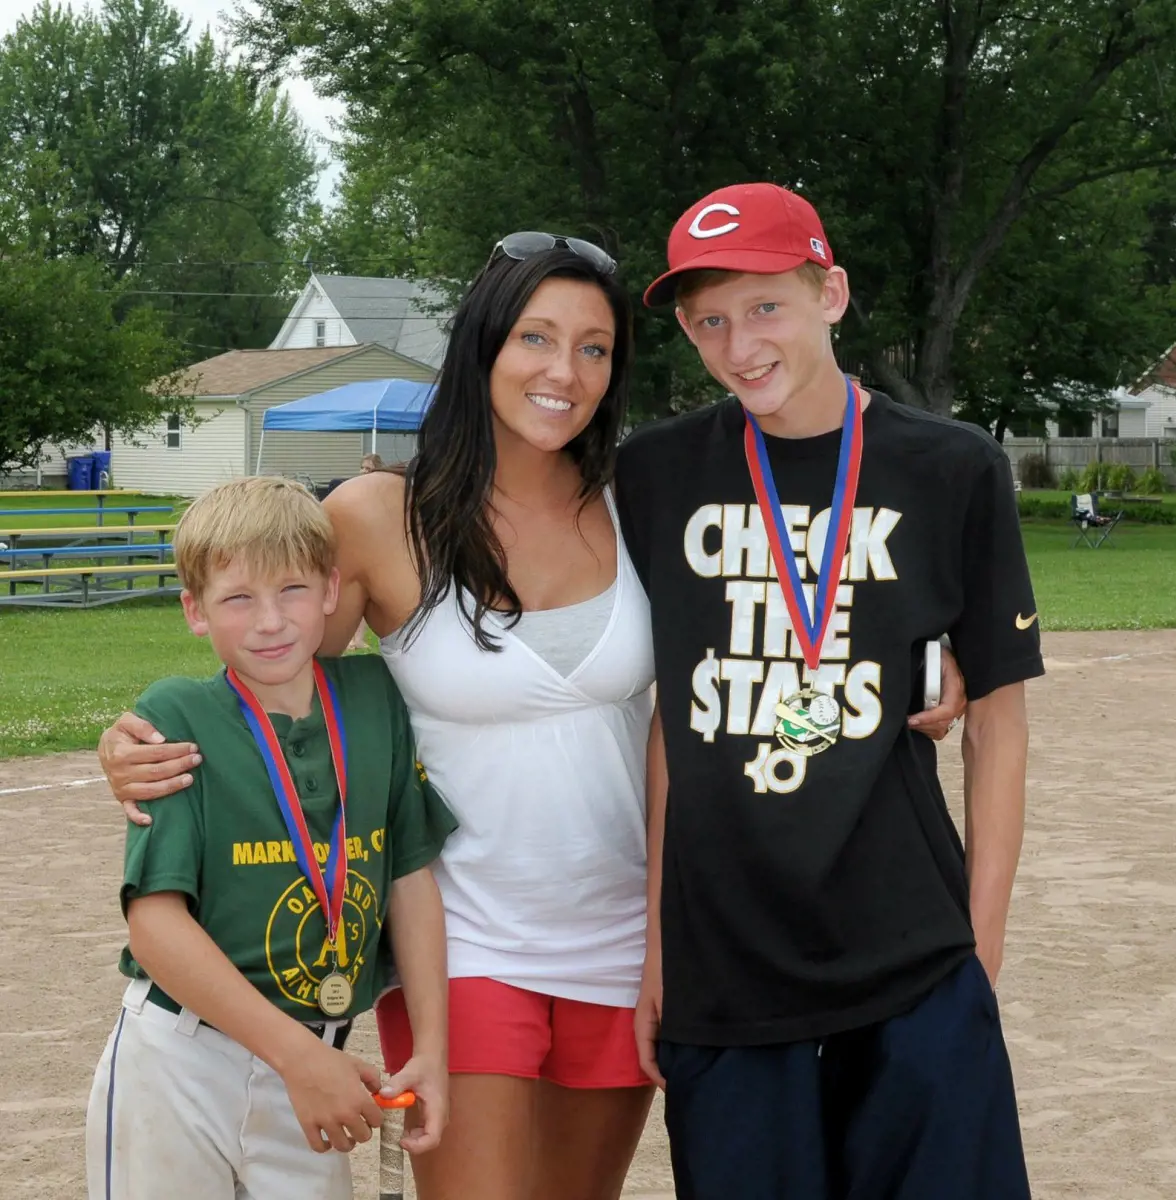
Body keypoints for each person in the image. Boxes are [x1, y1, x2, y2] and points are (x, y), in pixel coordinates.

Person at [96, 233, 968, 1199]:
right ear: (483, 346)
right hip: (461, 939)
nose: (565, 372)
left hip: (629, 934)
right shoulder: (383, 513)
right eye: (536, 338)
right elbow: (273, 678)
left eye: (595, 348)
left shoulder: (643, 498)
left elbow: (777, 621)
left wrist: (927, 660)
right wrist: (131, 740)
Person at [616, 183, 1042, 1200]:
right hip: (725, 962)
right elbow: (670, 723)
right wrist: (658, 954)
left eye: (766, 306)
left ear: (831, 293)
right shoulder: (653, 474)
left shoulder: (953, 468)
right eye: (709, 321)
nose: (740, 343)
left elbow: (999, 726)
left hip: (910, 949)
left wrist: (978, 953)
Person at [85, 475, 457, 1200]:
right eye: (237, 599)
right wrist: (294, 1057)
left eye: (291, 589)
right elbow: (155, 925)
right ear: (194, 610)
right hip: (183, 1059)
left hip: (319, 1065)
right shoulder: (179, 713)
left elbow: (411, 882)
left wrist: (433, 1051)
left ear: (330, 589)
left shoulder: (376, 698)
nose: (269, 622)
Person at [348, 454, 386, 649]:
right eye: (362, 467)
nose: (363, 472)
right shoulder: (352, 491)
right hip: (355, 550)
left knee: (368, 599)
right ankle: (352, 639)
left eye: (368, 469)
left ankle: (359, 638)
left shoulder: (381, 494)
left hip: (374, 553)